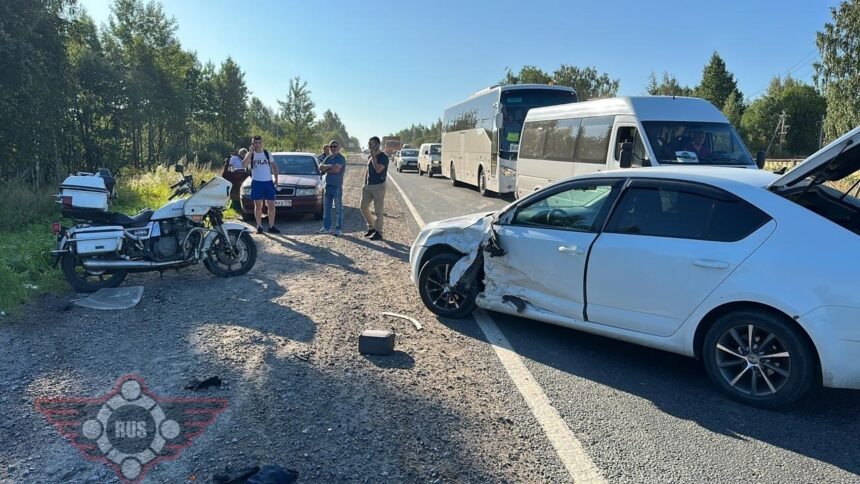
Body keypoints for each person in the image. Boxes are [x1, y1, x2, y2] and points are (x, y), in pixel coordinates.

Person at [242, 135, 281, 234]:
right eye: (255, 143)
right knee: (258, 205)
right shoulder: (250, 154)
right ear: (253, 143)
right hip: (257, 182)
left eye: (259, 142)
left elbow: (274, 167)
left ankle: (271, 226)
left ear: (262, 143)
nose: (257, 144)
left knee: (271, 205)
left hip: (268, 182)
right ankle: (259, 226)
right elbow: (244, 165)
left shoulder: (267, 153)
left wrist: (276, 179)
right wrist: (250, 153)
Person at [360, 136, 389, 241]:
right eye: (369, 144)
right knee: (363, 207)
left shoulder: (383, 157)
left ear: (377, 144)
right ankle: (371, 226)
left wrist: (373, 157)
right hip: (368, 186)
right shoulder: (369, 156)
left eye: (371, 144)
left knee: (378, 211)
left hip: (379, 186)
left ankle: (379, 232)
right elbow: (368, 170)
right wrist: (364, 183)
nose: (369, 146)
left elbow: (378, 169)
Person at [317, 140, 346, 236]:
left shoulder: (341, 158)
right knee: (327, 209)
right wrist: (330, 166)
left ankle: (339, 229)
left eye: (335, 146)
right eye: (331, 147)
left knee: (338, 209)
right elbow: (320, 167)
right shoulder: (329, 157)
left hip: (337, 186)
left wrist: (327, 168)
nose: (333, 148)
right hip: (328, 186)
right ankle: (327, 228)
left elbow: (336, 170)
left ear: (339, 147)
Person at [223, 148, 249, 212]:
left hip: (244, 176)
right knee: (235, 191)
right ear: (239, 153)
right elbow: (229, 166)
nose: (243, 154)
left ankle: (242, 206)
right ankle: (235, 206)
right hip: (235, 176)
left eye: (244, 153)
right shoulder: (234, 158)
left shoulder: (247, 158)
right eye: (242, 153)